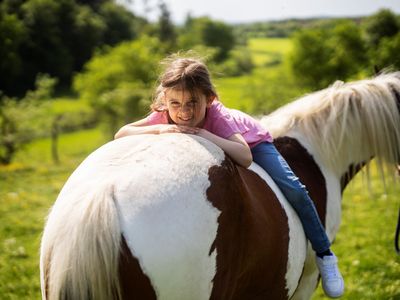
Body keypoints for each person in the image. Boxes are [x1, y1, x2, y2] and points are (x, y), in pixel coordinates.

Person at [114, 56, 345, 298]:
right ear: (165, 100)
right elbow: (122, 133)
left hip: (253, 142)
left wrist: (202, 133)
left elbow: (244, 156)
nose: (183, 112)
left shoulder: (217, 117)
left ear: (210, 99)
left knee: (294, 188)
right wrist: (161, 128)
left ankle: (324, 254)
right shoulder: (166, 113)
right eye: (175, 103)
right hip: (220, 138)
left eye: (193, 102)